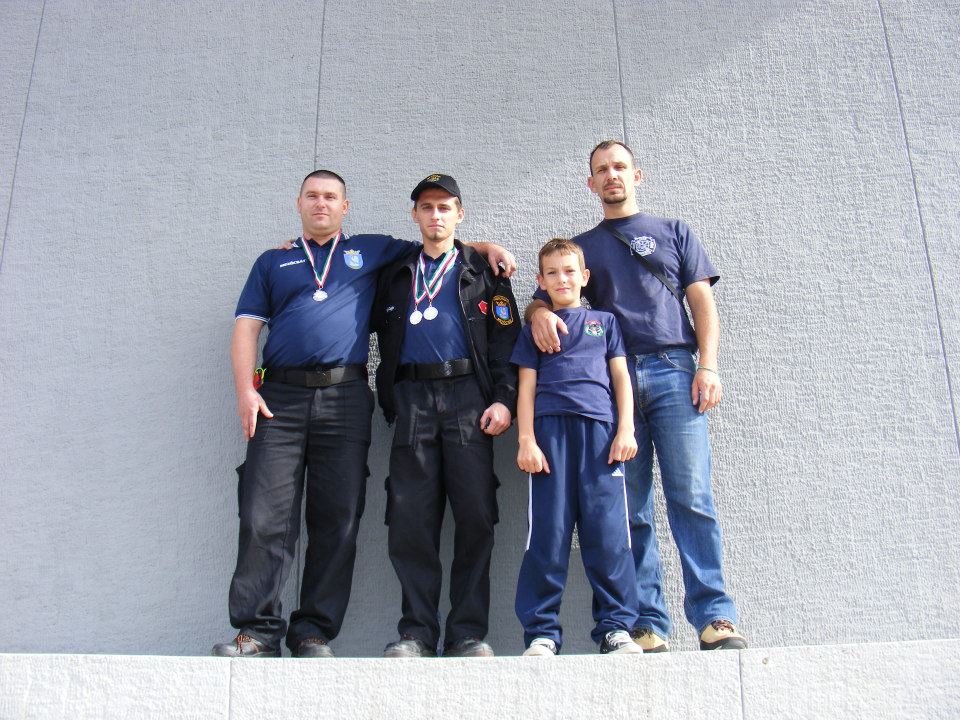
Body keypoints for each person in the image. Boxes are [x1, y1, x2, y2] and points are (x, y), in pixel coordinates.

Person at [213, 170, 515, 658]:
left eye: (330, 197)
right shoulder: (287, 261)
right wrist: (246, 390)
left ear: (345, 207)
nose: (321, 204)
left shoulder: (400, 257)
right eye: (313, 196)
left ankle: (324, 633)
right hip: (305, 398)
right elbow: (248, 327)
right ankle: (264, 632)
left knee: (352, 518)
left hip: (387, 398)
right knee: (272, 516)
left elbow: (451, 264)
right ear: (298, 203)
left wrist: (485, 247)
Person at [526, 141, 746, 652]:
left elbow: (702, 302)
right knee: (631, 508)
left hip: (675, 371)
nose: (612, 175)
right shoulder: (583, 247)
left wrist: (709, 365)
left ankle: (715, 616)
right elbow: (544, 298)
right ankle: (648, 623)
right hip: (613, 387)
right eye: (601, 170)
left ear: (637, 175)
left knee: (692, 496)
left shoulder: (674, 231)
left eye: (620, 167)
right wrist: (537, 314)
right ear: (591, 183)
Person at [372, 174, 520, 658]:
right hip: (412, 398)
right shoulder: (394, 273)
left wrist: (505, 399)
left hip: (469, 400)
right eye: (427, 207)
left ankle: (466, 634)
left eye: (445, 207)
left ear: (460, 214)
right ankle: (416, 632)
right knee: (410, 519)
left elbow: (506, 343)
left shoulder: (486, 273)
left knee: (476, 516)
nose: (436, 215)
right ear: (414, 215)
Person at [512, 238, 642, 657]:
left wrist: (626, 430)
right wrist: (526, 439)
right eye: (552, 273)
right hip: (549, 438)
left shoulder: (605, 323)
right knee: (547, 536)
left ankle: (616, 627)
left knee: (608, 535)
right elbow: (526, 389)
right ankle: (541, 632)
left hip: (601, 438)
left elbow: (620, 379)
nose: (562, 279)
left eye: (569, 271)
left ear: (584, 277)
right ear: (540, 280)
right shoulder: (534, 329)